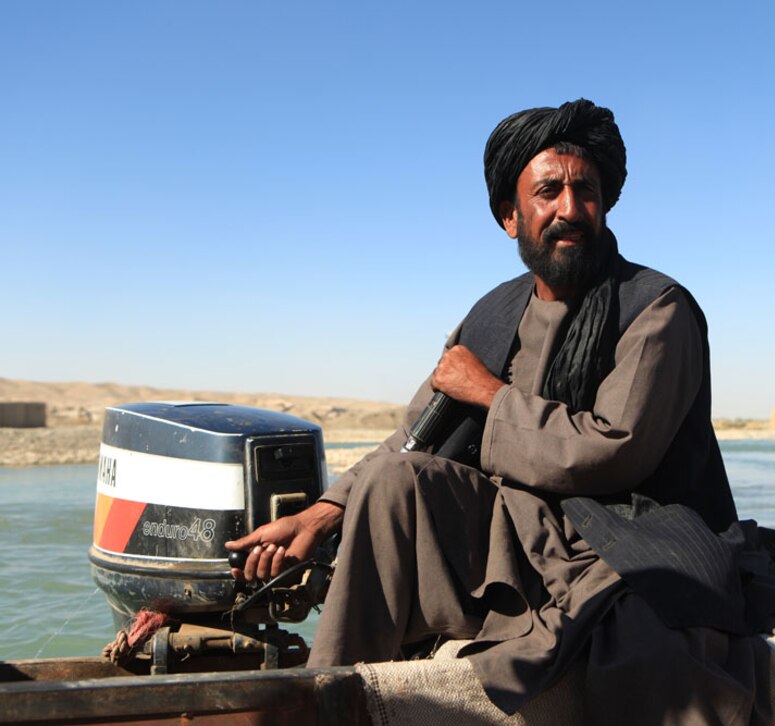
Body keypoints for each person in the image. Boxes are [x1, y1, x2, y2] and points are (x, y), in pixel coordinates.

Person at [225, 99, 745, 718]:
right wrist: (324, 511)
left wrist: (492, 397)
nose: (570, 210)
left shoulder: (656, 309)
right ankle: (330, 695)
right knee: (394, 481)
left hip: (623, 535)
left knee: (644, 641)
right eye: (549, 191)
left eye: (587, 192)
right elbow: (412, 440)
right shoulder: (490, 315)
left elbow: (615, 452)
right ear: (510, 216)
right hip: (510, 540)